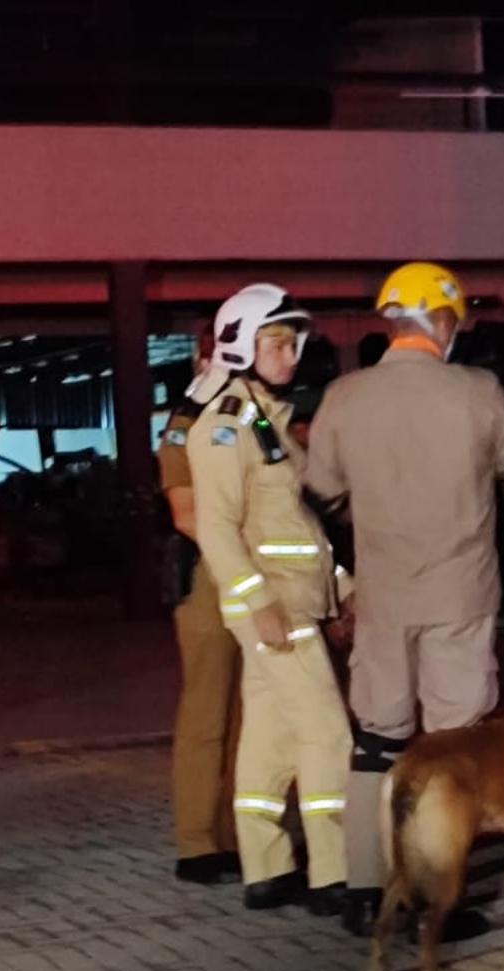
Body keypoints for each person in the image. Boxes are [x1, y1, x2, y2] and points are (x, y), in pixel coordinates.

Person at [304, 260, 504, 939]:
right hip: (461, 592)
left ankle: (365, 890)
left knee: (376, 742)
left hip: (382, 594)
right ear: (442, 321)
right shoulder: (479, 390)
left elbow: (322, 493)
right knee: (454, 748)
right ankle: (434, 897)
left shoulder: (344, 397)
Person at [186, 283, 351, 914]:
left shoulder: (259, 417)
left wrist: (341, 586)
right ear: (239, 346)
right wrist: (260, 603)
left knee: (271, 737)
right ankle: (333, 873)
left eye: (295, 342)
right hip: (275, 607)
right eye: (279, 342)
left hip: (288, 600)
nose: (292, 355)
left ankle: (267, 868)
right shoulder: (227, 426)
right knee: (327, 735)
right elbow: (216, 527)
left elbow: (293, 525)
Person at [157, 322, 242, 886]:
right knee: (207, 714)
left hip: (256, 572)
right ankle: (196, 842)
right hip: (212, 577)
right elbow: (185, 514)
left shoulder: (251, 414)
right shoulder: (183, 428)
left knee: (250, 717)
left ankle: (240, 834)